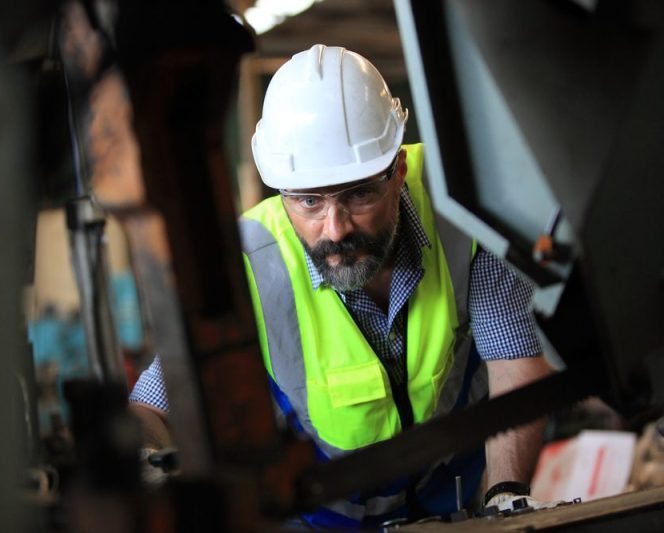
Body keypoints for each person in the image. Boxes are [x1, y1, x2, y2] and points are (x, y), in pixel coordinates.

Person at [129, 44, 552, 528]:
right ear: (282, 193)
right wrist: (144, 463)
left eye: (359, 194)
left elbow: (513, 358)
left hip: (454, 507)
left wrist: (504, 496)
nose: (335, 229)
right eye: (309, 201)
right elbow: (155, 406)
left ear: (398, 172)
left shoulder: (460, 208)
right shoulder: (244, 266)